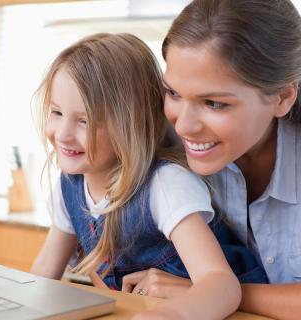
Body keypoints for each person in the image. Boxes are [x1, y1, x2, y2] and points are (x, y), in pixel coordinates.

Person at [29, 32, 256, 320]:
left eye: (86, 121)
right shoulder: (69, 186)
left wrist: (173, 315)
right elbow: (42, 276)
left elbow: (222, 284)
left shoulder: (167, 184)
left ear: (132, 124)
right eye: (57, 112)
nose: (62, 134)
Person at [121, 1, 301, 319]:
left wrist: (210, 290)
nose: (184, 126)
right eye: (173, 93)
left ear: (283, 97)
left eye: (214, 103)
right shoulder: (167, 155)